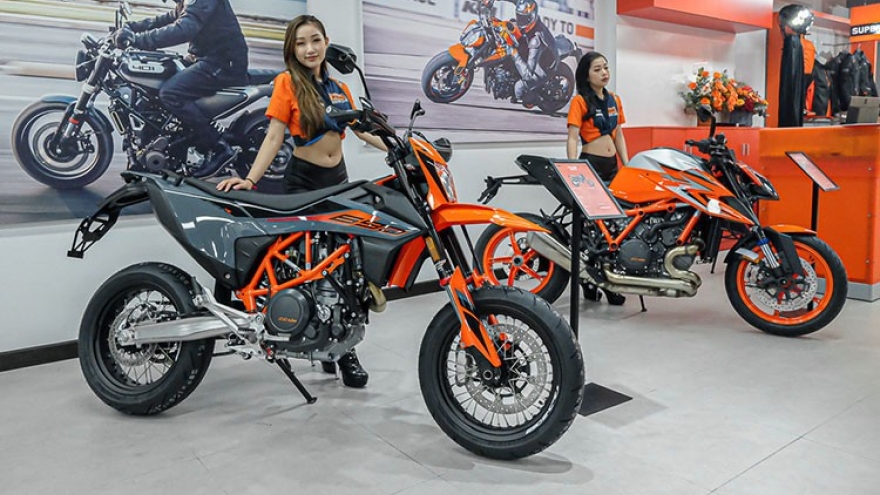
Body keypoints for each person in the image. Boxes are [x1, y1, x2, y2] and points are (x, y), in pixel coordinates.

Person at [216, 15, 387, 388]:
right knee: (306, 265)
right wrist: (250, 179)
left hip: (337, 182)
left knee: (346, 269)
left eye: (315, 40)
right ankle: (313, 338)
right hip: (303, 183)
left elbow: (362, 130)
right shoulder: (288, 83)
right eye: (300, 43)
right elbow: (274, 136)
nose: (309, 49)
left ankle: (345, 350)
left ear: (326, 42)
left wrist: (400, 148)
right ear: (292, 50)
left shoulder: (339, 88)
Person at [114, 0, 248, 178]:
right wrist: (132, 27)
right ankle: (147, 152)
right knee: (152, 88)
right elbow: (170, 18)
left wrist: (139, 40)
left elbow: (185, 28)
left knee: (170, 93)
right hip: (204, 57)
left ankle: (219, 147)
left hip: (223, 61)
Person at [566, 51, 628, 306]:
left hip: (613, 167)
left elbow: (619, 135)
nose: (604, 73)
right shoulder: (580, 101)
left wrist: (627, 165)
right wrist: (573, 170)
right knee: (592, 229)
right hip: (590, 166)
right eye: (597, 69)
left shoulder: (615, 99)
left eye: (606, 68)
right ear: (586, 75)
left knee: (614, 228)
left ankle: (611, 282)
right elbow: (572, 137)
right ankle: (589, 280)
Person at [483, 0, 558, 106]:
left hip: (542, 67)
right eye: (519, 16)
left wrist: (514, 54)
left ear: (532, 17)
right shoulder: (527, 7)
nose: (521, 20)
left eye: (524, 18)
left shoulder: (535, 41)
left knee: (518, 90)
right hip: (529, 51)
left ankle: (537, 99)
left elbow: (528, 75)